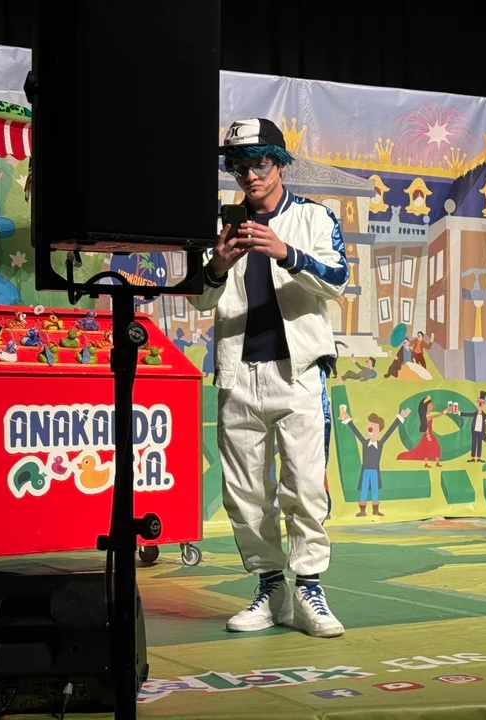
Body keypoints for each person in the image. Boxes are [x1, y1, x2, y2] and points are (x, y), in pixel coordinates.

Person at [189, 118, 348, 637]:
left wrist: (287, 253)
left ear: (279, 163)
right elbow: (199, 298)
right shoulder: (219, 224)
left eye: (258, 163)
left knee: (305, 486)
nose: (249, 176)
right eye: (238, 167)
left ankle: (309, 588)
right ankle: (271, 587)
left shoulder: (314, 217)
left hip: (298, 373)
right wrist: (217, 265)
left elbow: (338, 280)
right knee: (244, 492)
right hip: (238, 374)